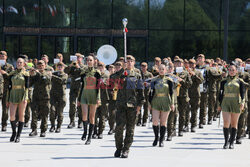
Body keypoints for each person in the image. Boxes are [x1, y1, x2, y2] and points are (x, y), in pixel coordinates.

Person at [114, 55, 144, 158]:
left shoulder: (137, 75)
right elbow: (112, 79)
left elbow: (141, 91)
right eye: (128, 61)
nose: (129, 63)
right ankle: (118, 147)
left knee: (130, 129)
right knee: (119, 127)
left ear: (134, 63)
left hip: (132, 105)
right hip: (121, 105)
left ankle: (126, 149)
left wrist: (140, 105)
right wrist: (122, 69)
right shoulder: (121, 73)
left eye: (131, 61)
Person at [0, 58, 29, 142]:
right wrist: (7, 99)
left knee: (21, 115)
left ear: (23, 64)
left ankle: (18, 136)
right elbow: (8, 87)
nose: (19, 63)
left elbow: (27, 87)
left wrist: (25, 98)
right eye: (18, 62)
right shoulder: (12, 74)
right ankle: (14, 132)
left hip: (22, 94)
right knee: (12, 116)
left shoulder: (26, 74)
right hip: (13, 94)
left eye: (21, 62)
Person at [218, 63, 245, 149]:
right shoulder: (223, 81)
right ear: (227, 71)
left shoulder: (240, 81)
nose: (231, 71)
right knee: (226, 122)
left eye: (233, 70)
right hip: (226, 102)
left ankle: (232, 142)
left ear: (236, 71)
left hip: (236, 103)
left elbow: (243, 93)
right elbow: (220, 93)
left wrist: (242, 103)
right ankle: (226, 142)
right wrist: (219, 104)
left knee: (234, 123)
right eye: (230, 70)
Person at [78, 55, 101, 145]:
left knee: (92, 117)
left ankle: (89, 137)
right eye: (87, 60)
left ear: (94, 61)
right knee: (84, 115)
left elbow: (98, 86)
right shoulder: (83, 72)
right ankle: (85, 131)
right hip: (84, 94)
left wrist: (98, 98)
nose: (88, 61)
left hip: (93, 95)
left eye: (90, 60)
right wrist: (79, 98)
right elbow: (82, 85)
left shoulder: (97, 72)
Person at [149, 64, 174, 147]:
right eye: (160, 69)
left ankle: (161, 140)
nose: (161, 70)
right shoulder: (154, 80)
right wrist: (149, 103)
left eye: (163, 69)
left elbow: (172, 93)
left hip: (166, 100)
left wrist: (172, 103)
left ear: (165, 70)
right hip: (156, 100)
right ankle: (156, 137)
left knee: (163, 122)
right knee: (155, 121)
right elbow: (150, 92)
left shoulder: (169, 80)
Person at [29, 60, 52, 137]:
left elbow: (46, 80)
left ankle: (43, 130)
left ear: (45, 65)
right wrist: (31, 75)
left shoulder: (48, 73)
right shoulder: (35, 74)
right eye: (38, 65)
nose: (40, 66)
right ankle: (34, 129)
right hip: (36, 96)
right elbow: (29, 84)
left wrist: (38, 73)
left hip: (45, 97)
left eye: (42, 65)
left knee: (44, 114)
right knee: (34, 113)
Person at [65, 53, 86, 128]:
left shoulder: (84, 66)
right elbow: (65, 71)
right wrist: (70, 65)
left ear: (81, 58)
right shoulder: (72, 66)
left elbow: (85, 73)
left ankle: (80, 121)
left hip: (81, 88)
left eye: (78, 57)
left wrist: (78, 67)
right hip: (73, 87)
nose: (77, 59)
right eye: (75, 57)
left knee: (80, 105)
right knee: (72, 104)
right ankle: (72, 121)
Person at [49, 62, 68, 133]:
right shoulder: (54, 74)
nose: (60, 68)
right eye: (58, 66)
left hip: (61, 96)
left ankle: (58, 126)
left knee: (60, 112)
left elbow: (61, 80)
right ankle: (52, 125)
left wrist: (52, 76)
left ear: (63, 67)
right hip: (53, 95)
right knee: (52, 111)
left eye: (61, 67)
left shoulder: (65, 75)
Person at [92, 61, 109, 139]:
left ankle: (100, 132)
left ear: (104, 67)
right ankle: (94, 131)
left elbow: (107, 84)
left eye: (102, 66)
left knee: (102, 116)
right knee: (94, 116)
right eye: (99, 66)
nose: (100, 67)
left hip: (104, 98)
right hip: (94, 97)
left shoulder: (107, 75)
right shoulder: (94, 74)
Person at [186, 59, 204, 132]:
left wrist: (194, 75)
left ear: (195, 65)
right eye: (190, 64)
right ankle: (186, 125)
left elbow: (201, 81)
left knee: (194, 110)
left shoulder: (198, 72)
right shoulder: (185, 72)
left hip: (195, 94)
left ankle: (193, 125)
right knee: (186, 110)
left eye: (192, 64)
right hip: (187, 93)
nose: (191, 65)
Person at [0, 51, 14, 131]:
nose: (2, 57)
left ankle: (4, 124)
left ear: (6, 57)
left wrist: (5, 73)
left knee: (5, 108)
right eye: (0, 56)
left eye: (3, 56)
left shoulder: (9, 67)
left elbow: (12, 78)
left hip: (5, 90)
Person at [137, 62, 153, 126]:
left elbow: (153, 83)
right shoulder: (138, 74)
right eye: (142, 66)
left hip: (147, 92)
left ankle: (144, 120)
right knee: (139, 106)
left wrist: (148, 84)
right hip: (140, 92)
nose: (143, 68)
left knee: (146, 107)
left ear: (147, 67)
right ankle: (138, 120)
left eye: (145, 66)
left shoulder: (149, 74)